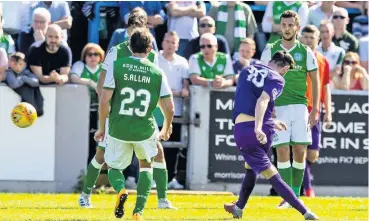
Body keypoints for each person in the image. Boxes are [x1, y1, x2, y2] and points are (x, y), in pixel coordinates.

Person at [79, 7, 176, 210]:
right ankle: (85, 195)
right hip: (116, 114)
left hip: (139, 115)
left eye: (140, 28)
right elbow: (101, 85)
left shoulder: (151, 54)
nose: (136, 33)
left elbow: (154, 88)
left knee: (157, 153)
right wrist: (107, 111)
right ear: (128, 29)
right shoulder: (116, 52)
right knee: (101, 155)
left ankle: (162, 199)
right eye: (133, 29)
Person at [224, 51, 318, 220]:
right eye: (286, 71)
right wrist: (264, 125)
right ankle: (238, 207)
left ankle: (305, 212)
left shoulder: (246, 70)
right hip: (257, 129)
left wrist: (261, 126)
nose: (284, 74)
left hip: (246, 130)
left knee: (271, 175)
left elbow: (256, 100)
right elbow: (262, 100)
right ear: (285, 68)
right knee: (251, 169)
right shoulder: (277, 78)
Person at [260, 10, 320, 208]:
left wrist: (315, 109)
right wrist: (268, 106)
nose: (286, 28)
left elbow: (315, 80)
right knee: (283, 151)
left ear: (297, 27)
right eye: (283, 25)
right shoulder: (270, 50)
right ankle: (286, 198)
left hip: (300, 107)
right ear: (280, 26)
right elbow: (263, 79)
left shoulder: (306, 51)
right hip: (279, 108)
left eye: (290, 25)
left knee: (300, 150)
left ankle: (295, 195)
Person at [300, 25, 332, 197]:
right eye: (305, 37)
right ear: (300, 38)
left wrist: (329, 110)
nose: (308, 40)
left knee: (312, 155)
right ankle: (307, 188)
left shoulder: (322, 60)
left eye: (312, 37)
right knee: (300, 149)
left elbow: (326, 87)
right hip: (298, 109)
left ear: (318, 39)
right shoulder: (295, 59)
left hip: (315, 110)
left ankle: (300, 184)